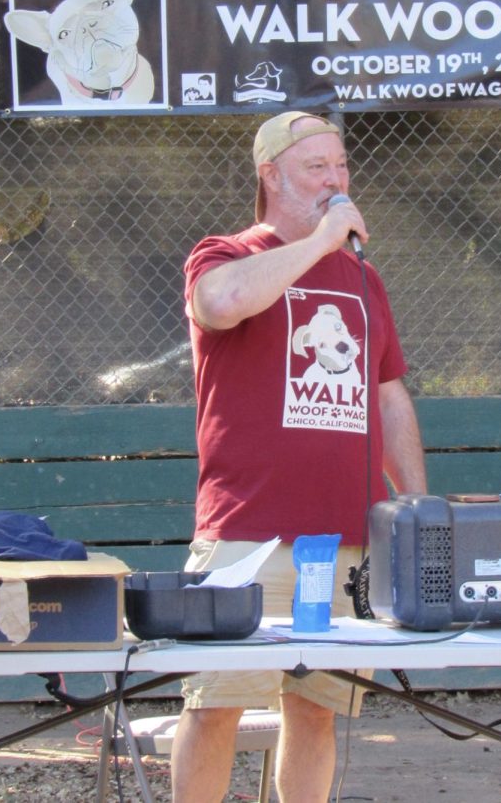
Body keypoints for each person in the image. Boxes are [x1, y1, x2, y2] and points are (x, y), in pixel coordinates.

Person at [170, 111, 427, 803]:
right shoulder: (223, 253)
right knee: (215, 706)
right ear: (272, 175)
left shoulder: (363, 279)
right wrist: (318, 242)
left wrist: (414, 506)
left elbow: (389, 394)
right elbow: (221, 303)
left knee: (316, 712)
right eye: (318, 168)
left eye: (341, 168)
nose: (336, 181)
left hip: (344, 536)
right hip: (248, 535)